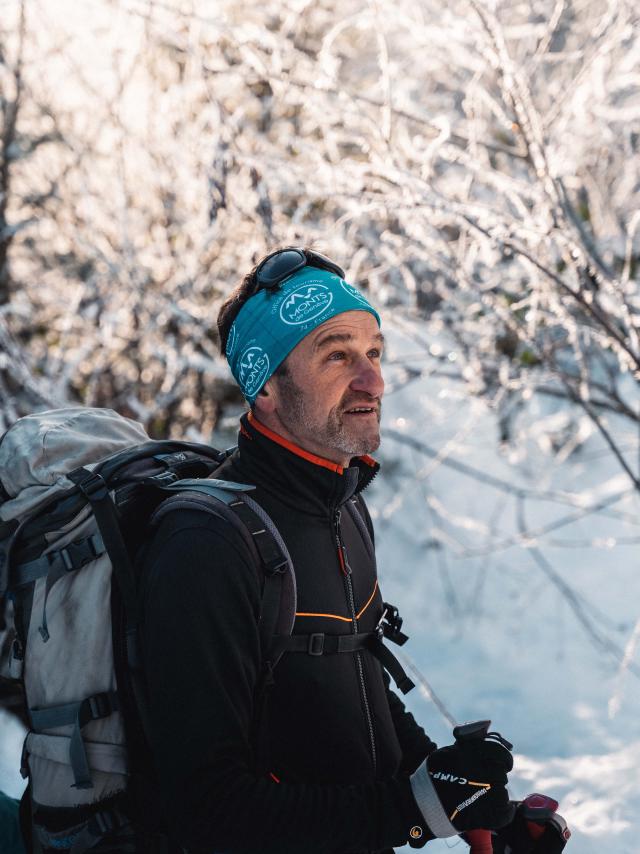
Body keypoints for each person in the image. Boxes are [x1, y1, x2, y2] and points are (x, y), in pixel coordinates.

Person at [138, 247, 560, 854]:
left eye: (374, 352)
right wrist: (413, 811)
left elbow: (351, 681)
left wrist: (465, 802)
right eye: (336, 355)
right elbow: (209, 810)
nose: (373, 381)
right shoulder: (207, 545)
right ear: (266, 387)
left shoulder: (342, 504)